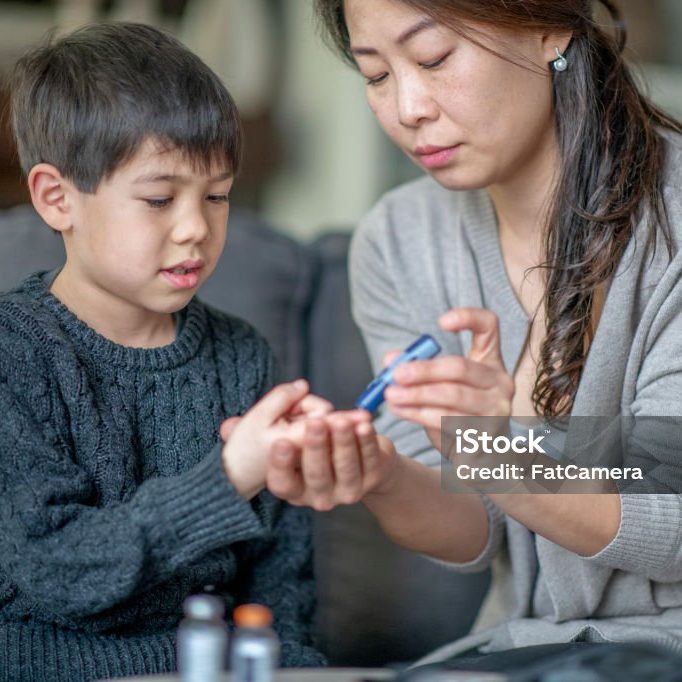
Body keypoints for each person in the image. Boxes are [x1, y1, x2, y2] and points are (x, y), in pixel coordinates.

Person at [265, 0, 682, 672]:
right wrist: (378, 472)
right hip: (523, 652)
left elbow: (671, 524)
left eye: (434, 58)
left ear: (548, 27)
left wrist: (494, 453)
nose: (408, 108)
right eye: (375, 75)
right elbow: (472, 535)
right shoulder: (400, 241)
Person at [0, 22, 375, 682]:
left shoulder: (242, 357)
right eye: (159, 198)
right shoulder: (16, 353)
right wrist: (227, 478)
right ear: (57, 198)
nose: (196, 227)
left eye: (217, 195)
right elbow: (56, 571)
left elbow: (280, 585)